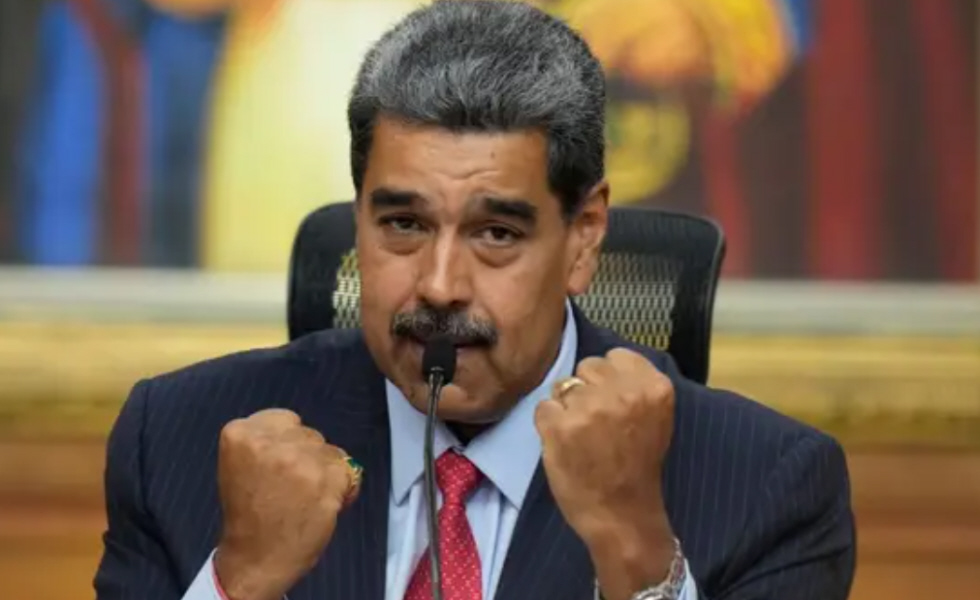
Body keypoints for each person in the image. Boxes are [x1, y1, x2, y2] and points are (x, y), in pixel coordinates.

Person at [93, 1, 856, 599]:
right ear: (358, 219)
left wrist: (637, 554)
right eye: (403, 224)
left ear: (584, 238)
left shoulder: (766, 485)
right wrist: (237, 583)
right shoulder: (179, 442)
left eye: (496, 233)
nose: (439, 285)